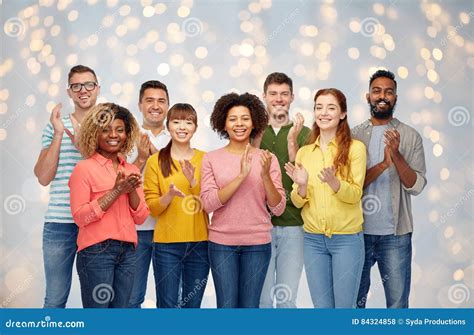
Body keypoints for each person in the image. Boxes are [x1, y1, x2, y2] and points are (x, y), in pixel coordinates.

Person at [200, 92, 286, 308]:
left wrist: (265, 176)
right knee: (227, 306)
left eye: (245, 118)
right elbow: (208, 203)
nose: (239, 124)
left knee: (249, 307)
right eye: (233, 119)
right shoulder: (211, 158)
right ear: (224, 124)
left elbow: (278, 208)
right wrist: (241, 176)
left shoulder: (268, 158)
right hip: (222, 244)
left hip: (257, 244)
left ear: (254, 122)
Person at [285, 88, 366, 308]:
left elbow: (356, 194)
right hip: (313, 241)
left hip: (347, 240)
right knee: (322, 310)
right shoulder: (304, 152)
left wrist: (335, 183)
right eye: (319, 107)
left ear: (342, 114)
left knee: (343, 310)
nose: (324, 113)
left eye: (331, 108)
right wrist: (301, 186)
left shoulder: (355, 149)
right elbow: (298, 200)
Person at [353, 69, 427, 308]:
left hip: (396, 236)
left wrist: (395, 155)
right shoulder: (353, 137)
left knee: (397, 305)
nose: (382, 96)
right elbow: (351, 185)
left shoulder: (409, 136)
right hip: (356, 233)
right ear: (368, 96)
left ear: (395, 97)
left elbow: (415, 186)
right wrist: (384, 164)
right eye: (376, 91)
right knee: (354, 304)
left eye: (388, 92)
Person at [69, 103, 149, 308]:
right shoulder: (83, 169)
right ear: (95, 133)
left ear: (127, 134)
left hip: (128, 253)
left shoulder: (131, 169)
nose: (113, 135)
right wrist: (115, 192)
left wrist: (130, 188)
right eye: (105, 129)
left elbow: (140, 217)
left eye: (120, 130)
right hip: (97, 253)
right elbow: (80, 217)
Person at [34, 65, 100, 308]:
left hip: (96, 223)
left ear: (97, 88)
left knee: (97, 301)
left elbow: (111, 171)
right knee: (55, 298)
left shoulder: (110, 126)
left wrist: (85, 144)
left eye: (89, 84)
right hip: (59, 222)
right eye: (76, 86)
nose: (83, 90)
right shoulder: (54, 126)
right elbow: (43, 176)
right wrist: (60, 134)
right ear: (70, 92)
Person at [143, 103, 209, 308]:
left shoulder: (205, 159)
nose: (182, 127)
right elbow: (152, 207)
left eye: (188, 122)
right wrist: (169, 195)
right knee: (167, 305)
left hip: (200, 244)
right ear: (168, 126)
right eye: (177, 121)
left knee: (192, 306)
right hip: (166, 245)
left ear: (195, 127)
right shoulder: (155, 161)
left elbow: (211, 203)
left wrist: (193, 183)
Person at [256, 72, 310, 308]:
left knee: (287, 299)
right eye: (273, 94)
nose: (279, 99)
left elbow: (304, 175)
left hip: (294, 225)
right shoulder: (251, 130)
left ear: (292, 97)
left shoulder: (306, 134)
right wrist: (256, 137)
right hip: (259, 226)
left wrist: (292, 141)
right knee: (262, 299)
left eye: (284, 94)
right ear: (264, 96)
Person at [128, 80, 171, 308]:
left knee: (170, 301)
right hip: (135, 231)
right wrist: (141, 159)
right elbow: (120, 181)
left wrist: (152, 155)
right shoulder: (125, 136)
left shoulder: (176, 136)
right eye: (150, 100)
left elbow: (174, 180)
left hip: (168, 231)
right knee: (132, 298)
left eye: (161, 101)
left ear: (168, 105)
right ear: (140, 104)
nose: (155, 106)